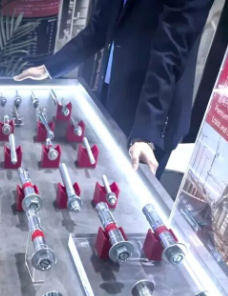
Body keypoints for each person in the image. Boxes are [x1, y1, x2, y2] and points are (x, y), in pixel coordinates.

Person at [14, 0, 215, 179]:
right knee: (99, 179)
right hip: (113, 97)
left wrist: (145, 134)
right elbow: (100, 27)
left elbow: (170, 53)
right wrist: (49, 68)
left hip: (152, 114)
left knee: (132, 197)